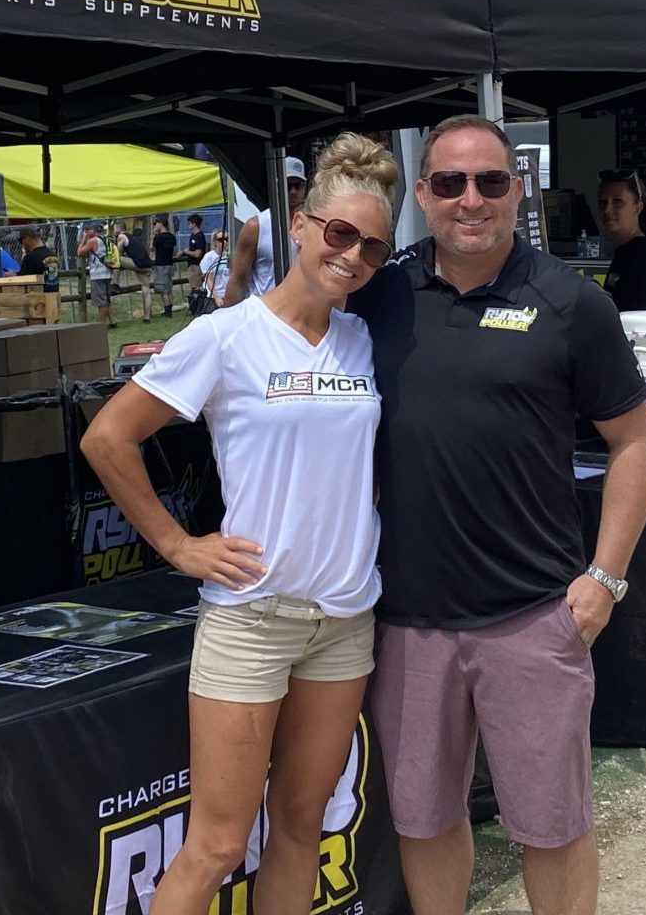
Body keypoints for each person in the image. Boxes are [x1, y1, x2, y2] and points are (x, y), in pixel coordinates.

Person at [344, 115, 646, 915]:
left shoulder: (569, 303)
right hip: (408, 620)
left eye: (490, 181)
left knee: (550, 825)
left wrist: (604, 581)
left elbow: (633, 445)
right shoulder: (381, 296)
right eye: (449, 183)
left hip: (533, 614)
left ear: (518, 188)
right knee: (423, 816)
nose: (470, 200)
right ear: (422, 194)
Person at [80, 134, 399, 915]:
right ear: (299, 223)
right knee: (218, 844)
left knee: (299, 827)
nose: (352, 256)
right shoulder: (222, 337)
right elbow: (107, 437)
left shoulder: (363, 339)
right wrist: (174, 543)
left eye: (372, 246)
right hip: (251, 619)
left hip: (344, 619)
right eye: (339, 233)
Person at [226, 156, 301, 304]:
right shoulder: (256, 226)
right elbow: (238, 279)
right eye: (288, 185)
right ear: (277, 185)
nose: (293, 191)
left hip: (301, 313)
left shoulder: (313, 225)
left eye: (298, 185)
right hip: (265, 311)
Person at [597, 169, 646, 313]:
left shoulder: (645, 260)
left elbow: (644, 325)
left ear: (637, 208)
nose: (607, 209)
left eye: (617, 202)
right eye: (602, 202)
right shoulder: (627, 253)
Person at [78, 223, 115, 327]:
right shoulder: (106, 239)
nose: (87, 232)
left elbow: (80, 252)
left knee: (101, 301)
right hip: (107, 272)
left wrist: (84, 238)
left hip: (98, 274)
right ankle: (113, 321)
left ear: (92, 230)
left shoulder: (93, 241)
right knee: (106, 299)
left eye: (88, 230)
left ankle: (102, 324)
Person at [121, 222, 155, 323]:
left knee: (116, 259)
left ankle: (114, 282)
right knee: (146, 291)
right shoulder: (133, 238)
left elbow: (118, 252)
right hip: (147, 264)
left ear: (119, 228)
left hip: (138, 264)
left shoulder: (121, 236)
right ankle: (147, 317)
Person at [151, 217, 179, 317]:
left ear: (160, 224)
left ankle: (168, 312)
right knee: (169, 288)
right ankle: (169, 309)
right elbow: (175, 251)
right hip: (169, 264)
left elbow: (151, 249)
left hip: (160, 266)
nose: (154, 226)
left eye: (155, 224)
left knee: (164, 290)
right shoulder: (172, 237)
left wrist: (154, 235)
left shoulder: (157, 238)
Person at [18, 228, 60, 292]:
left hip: (38, 298)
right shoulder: (52, 254)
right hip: (53, 296)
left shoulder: (30, 257)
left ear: (26, 239)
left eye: (21, 241)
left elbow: (23, 280)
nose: (22, 245)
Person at [198, 230, 230, 311]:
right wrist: (217, 297)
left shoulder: (230, 256)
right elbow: (209, 280)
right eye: (221, 240)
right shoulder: (209, 257)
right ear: (215, 242)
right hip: (213, 297)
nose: (225, 242)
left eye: (227, 239)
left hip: (228, 295)